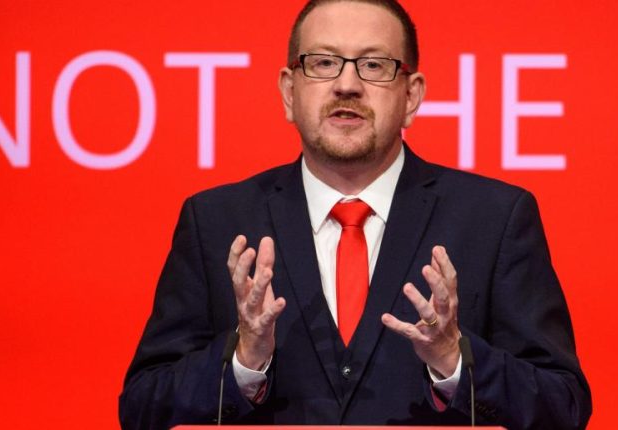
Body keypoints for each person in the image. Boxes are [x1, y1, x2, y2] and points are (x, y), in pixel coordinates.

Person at [119, 1, 592, 429]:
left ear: (411, 96)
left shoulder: (494, 218)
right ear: (289, 91)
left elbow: (563, 406)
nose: (347, 84)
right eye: (323, 63)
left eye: (374, 65)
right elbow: (141, 406)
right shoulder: (217, 220)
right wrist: (244, 360)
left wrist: (454, 360)